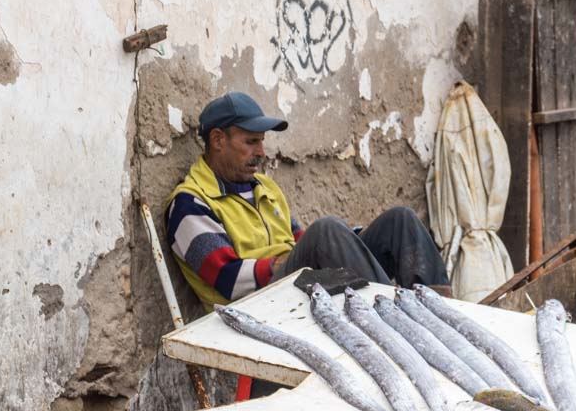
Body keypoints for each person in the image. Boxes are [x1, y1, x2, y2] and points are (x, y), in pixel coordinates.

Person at [166, 92, 449, 310]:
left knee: (400, 220)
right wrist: (299, 256)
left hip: (297, 285)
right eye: (251, 142)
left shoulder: (264, 188)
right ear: (217, 140)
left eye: (262, 142)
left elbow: (300, 239)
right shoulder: (190, 203)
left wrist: (348, 243)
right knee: (326, 231)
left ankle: (441, 314)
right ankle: (395, 322)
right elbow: (229, 282)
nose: (262, 152)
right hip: (257, 306)